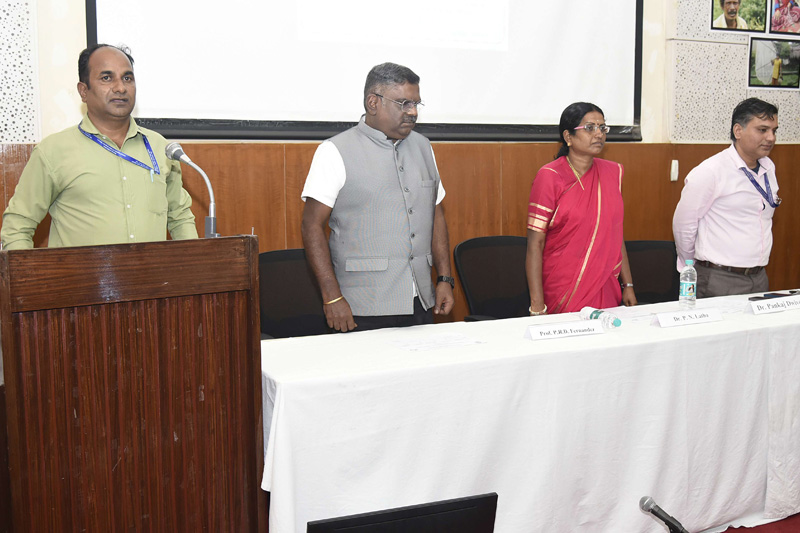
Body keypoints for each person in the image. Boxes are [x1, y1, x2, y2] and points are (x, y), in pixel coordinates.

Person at [300, 62, 454, 332]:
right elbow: (311, 226)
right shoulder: (334, 151)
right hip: (361, 306)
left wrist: (444, 279)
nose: (413, 112)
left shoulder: (423, 147)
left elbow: (436, 214)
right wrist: (331, 297)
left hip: (421, 301)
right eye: (404, 103)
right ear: (373, 102)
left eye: (416, 104)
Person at [1, 44, 197, 250]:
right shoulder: (53, 151)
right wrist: (28, 270)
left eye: (127, 78)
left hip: (151, 272)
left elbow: (180, 218)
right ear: (83, 91)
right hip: (81, 273)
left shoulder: (161, 148)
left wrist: (194, 263)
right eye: (106, 78)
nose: (120, 88)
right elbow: (17, 227)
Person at [525, 102, 636, 315]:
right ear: (568, 136)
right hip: (563, 287)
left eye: (602, 128)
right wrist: (537, 306)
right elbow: (535, 244)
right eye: (589, 128)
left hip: (604, 283)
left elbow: (614, 234)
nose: (599, 134)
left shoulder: (612, 173)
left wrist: (628, 284)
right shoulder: (550, 177)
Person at [672, 98, 779, 297]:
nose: (771, 138)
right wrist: (691, 266)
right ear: (738, 131)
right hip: (719, 278)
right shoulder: (711, 171)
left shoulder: (768, 168)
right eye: (763, 130)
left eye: (774, 131)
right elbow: (684, 224)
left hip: (759, 276)